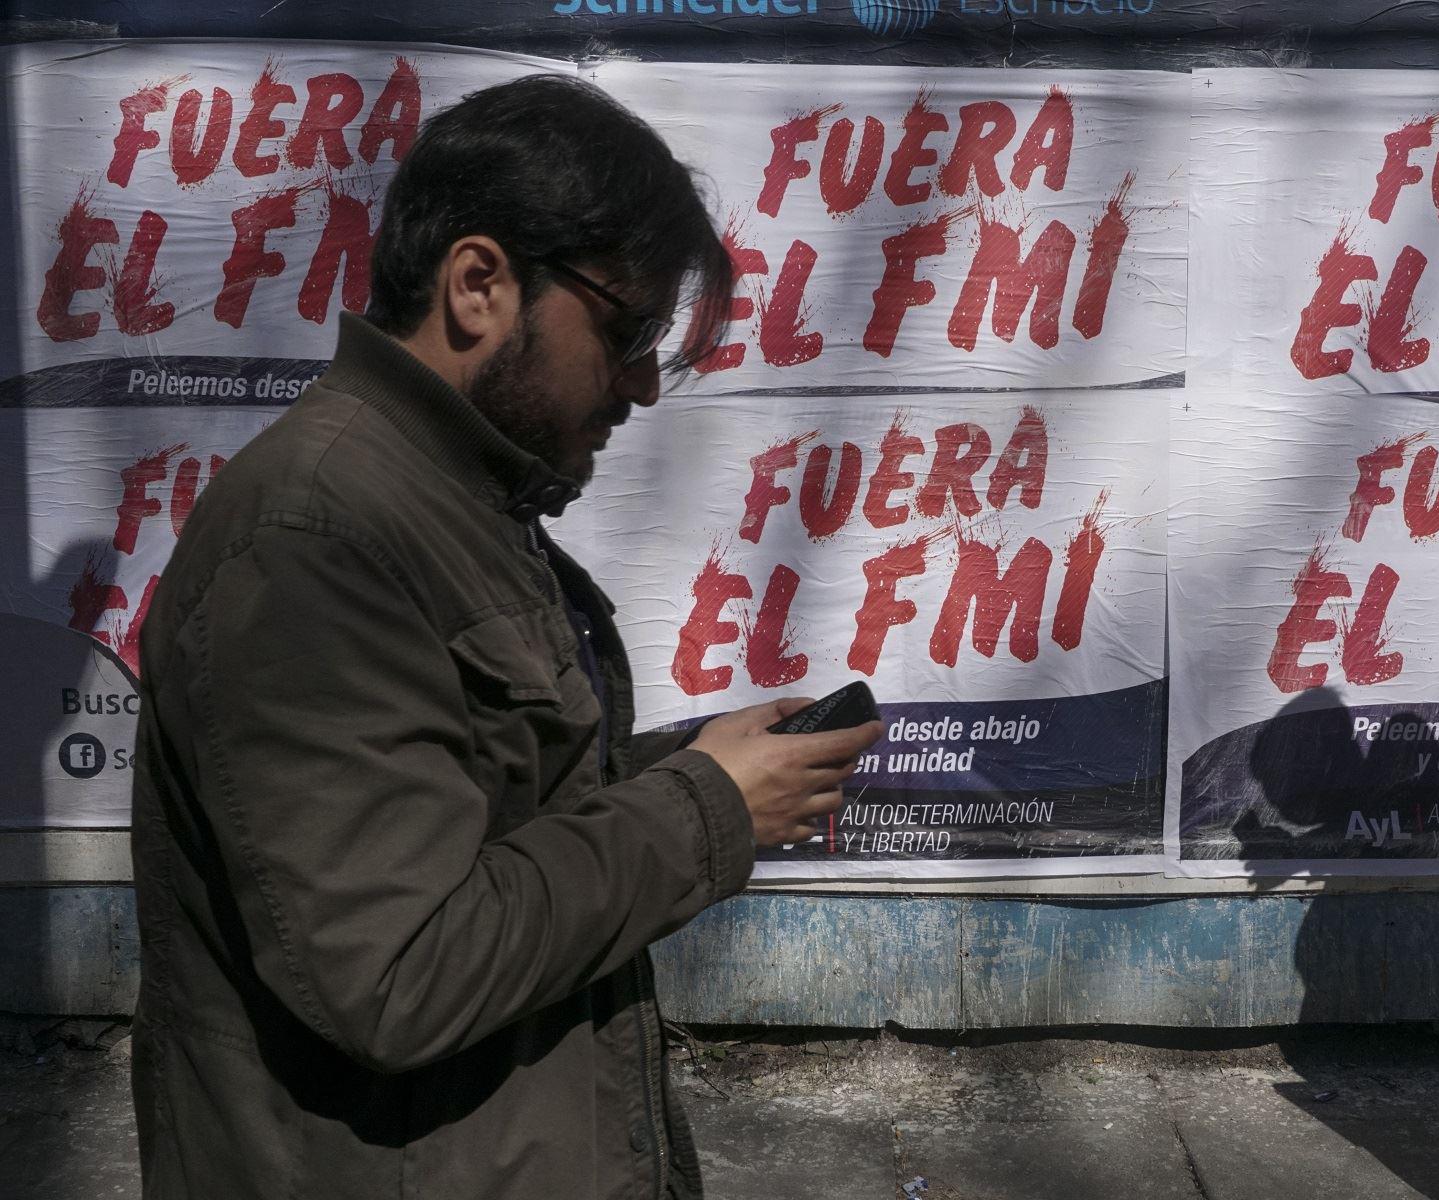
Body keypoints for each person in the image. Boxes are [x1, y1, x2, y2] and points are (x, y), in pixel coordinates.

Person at [129, 74, 881, 1200]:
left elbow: (474, 805)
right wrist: (707, 811)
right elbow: (398, 969)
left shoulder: (446, 498)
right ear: (479, 283)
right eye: (627, 331)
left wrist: (683, 768)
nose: (639, 386)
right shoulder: (314, 539)